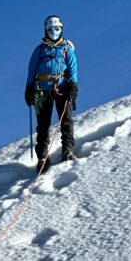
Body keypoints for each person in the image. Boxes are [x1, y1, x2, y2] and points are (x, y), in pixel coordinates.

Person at [25, 14, 78, 173]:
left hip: (62, 87)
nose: (53, 31)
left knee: (66, 119)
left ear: (61, 29)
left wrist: (73, 87)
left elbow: (73, 70)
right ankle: (42, 156)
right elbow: (32, 70)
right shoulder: (40, 50)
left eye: (56, 28)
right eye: (50, 29)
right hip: (42, 89)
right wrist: (29, 88)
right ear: (45, 30)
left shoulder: (67, 49)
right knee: (43, 124)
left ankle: (67, 149)